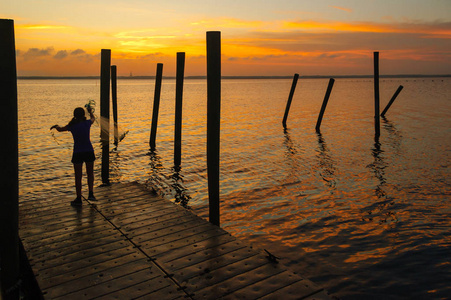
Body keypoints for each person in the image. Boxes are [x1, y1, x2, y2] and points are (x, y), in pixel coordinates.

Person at [51, 106, 96, 206]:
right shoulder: (87, 123)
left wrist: (55, 126)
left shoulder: (72, 126)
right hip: (88, 151)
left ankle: (79, 198)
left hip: (78, 153)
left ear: (74, 115)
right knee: (90, 174)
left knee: (78, 177)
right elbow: (93, 119)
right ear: (83, 115)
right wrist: (90, 112)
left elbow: (60, 129)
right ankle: (91, 194)